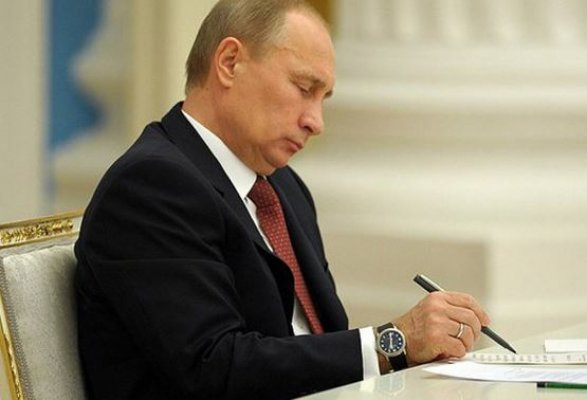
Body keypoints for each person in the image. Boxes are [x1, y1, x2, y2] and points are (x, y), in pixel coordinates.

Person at [75, 0, 490, 399]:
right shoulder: (151, 185)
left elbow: (318, 340)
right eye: (304, 88)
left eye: (323, 98)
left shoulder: (283, 187)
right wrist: (392, 343)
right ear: (230, 62)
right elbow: (213, 367)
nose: (316, 122)